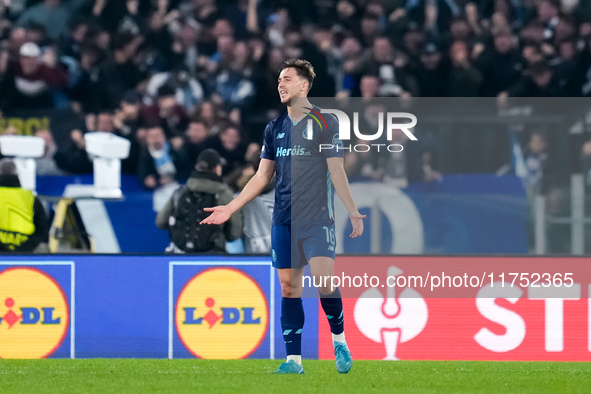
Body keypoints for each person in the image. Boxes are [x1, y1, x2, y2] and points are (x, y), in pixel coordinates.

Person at [201, 59, 366, 374]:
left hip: (317, 219)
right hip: (283, 221)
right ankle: (294, 361)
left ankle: (340, 341)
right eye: (279, 79)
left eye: (287, 79)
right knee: (289, 288)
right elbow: (262, 177)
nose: (280, 84)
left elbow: (337, 169)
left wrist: (352, 210)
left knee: (324, 281)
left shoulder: (326, 122)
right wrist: (231, 206)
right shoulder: (274, 128)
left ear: (304, 86)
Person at [155, 148, 242, 254]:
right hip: (213, 256)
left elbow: (160, 222)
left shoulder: (180, 192)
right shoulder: (224, 194)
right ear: (217, 168)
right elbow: (235, 232)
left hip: (179, 254)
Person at [0, 158, 48, 252]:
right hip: (26, 248)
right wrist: (24, 248)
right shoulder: (31, 197)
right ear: (17, 174)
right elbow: (42, 229)